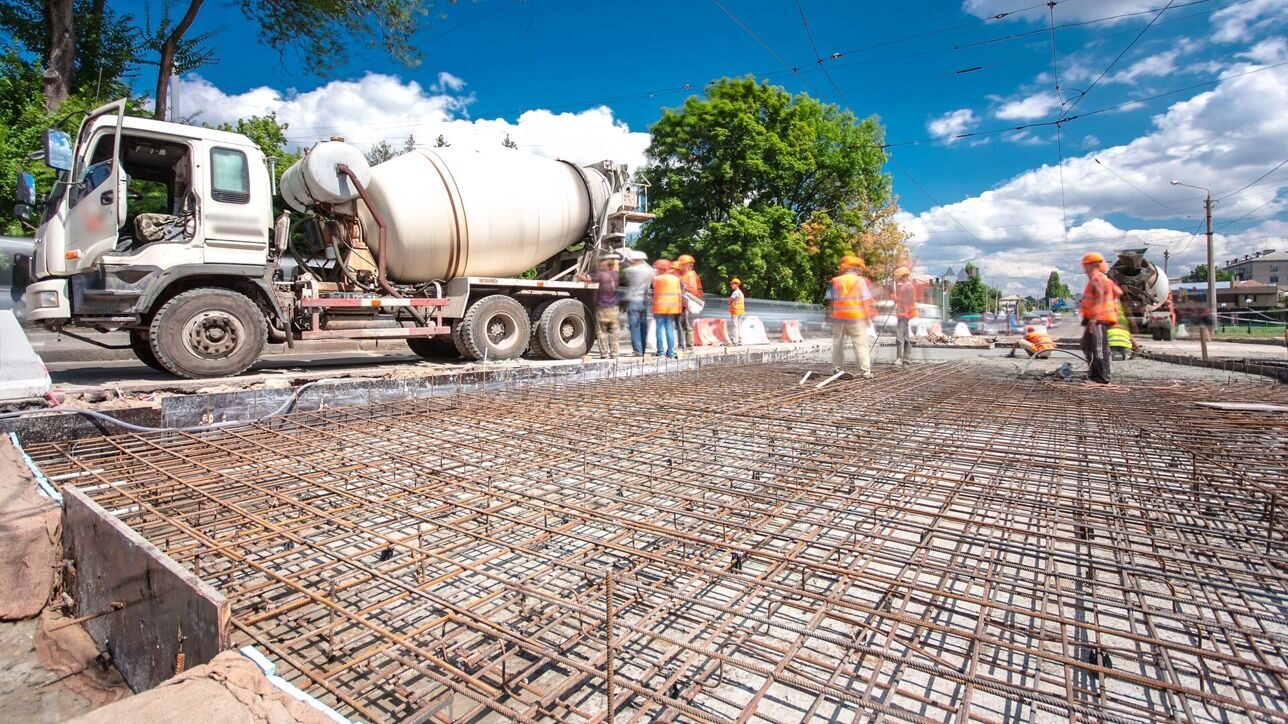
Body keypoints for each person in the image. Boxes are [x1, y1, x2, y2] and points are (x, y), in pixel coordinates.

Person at [826, 255, 876, 378]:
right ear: (854, 268)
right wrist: (868, 318)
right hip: (855, 317)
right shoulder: (860, 281)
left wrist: (831, 315)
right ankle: (865, 371)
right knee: (860, 343)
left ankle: (837, 369)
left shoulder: (836, 281)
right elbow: (865, 300)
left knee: (838, 343)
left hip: (839, 317)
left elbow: (831, 300)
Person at [1079, 251, 1120, 384]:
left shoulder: (1098, 278)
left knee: (1098, 348)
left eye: (1085, 265)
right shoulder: (1100, 278)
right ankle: (1094, 374)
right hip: (1097, 318)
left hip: (1098, 319)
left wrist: (1093, 319)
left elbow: (1100, 298)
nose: (1083, 268)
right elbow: (1118, 292)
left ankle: (1102, 377)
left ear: (1093, 264)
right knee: (1088, 345)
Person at [578, 256, 621, 359]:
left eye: (603, 264)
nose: (600, 265)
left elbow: (589, 281)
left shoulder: (602, 275)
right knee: (613, 330)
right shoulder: (615, 275)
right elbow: (616, 267)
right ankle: (615, 354)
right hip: (614, 307)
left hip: (603, 307)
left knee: (602, 331)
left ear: (607, 266)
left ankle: (605, 354)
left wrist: (581, 276)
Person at [621, 250, 654, 356]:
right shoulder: (649, 271)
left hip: (634, 301)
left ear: (634, 260)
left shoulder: (629, 270)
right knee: (643, 326)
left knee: (634, 327)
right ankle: (643, 350)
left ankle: (637, 350)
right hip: (644, 302)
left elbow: (623, 279)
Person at [651, 259, 682, 358]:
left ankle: (660, 352)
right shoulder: (675, 279)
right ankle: (670, 353)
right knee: (669, 329)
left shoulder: (657, 279)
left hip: (660, 308)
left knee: (659, 330)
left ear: (660, 269)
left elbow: (653, 287)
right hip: (671, 308)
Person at [676, 254, 702, 351]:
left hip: (687, 304)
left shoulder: (690, 275)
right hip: (683, 304)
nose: (680, 266)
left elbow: (691, 291)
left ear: (687, 265)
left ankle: (689, 347)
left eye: (682, 264)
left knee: (686, 325)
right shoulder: (684, 275)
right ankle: (682, 346)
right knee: (681, 325)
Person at [892, 266, 917, 365]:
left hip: (904, 314)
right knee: (906, 336)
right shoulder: (904, 286)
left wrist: (896, 299)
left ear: (903, 276)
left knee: (899, 336)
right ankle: (907, 358)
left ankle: (899, 358)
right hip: (903, 314)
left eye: (899, 276)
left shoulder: (908, 286)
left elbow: (908, 301)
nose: (898, 278)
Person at [728, 278, 745, 346]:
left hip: (735, 312)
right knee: (738, 326)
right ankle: (740, 341)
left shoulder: (735, 292)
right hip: (740, 312)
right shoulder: (741, 292)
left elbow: (730, 301)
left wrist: (729, 301)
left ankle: (735, 342)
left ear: (737, 285)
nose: (731, 285)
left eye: (733, 284)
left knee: (735, 327)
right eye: (731, 284)